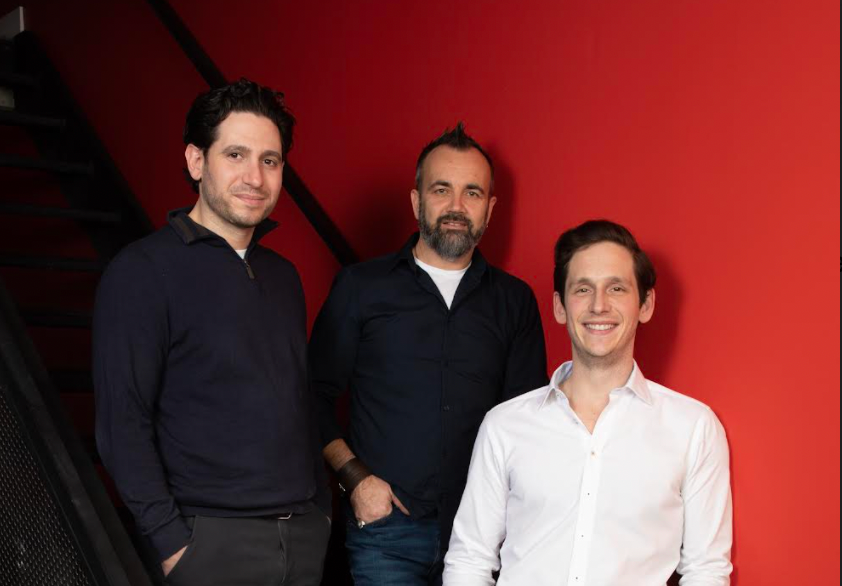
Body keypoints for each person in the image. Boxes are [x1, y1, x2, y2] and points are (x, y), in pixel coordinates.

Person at [93, 78, 330, 586]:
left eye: (270, 160)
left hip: (302, 539)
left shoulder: (284, 277)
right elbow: (122, 423)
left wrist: (321, 513)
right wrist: (173, 544)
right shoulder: (142, 272)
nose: (255, 177)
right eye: (236, 155)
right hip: (209, 543)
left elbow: (300, 402)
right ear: (196, 161)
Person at [309, 123, 548, 585]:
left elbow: (528, 420)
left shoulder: (514, 301)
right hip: (386, 532)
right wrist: (355, 478)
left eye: (472, 193)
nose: (457, 206)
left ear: (490, 208)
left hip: (483, 534)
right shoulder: (361, 288)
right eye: (442, 190)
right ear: (417, 201)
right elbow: (310, 396)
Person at [445, 220, 733, 586]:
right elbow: (469, 560)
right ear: (560, 306)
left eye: (616, 288)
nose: (599, 305)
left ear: (645, 304)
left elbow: (706, 570)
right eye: (583, 289)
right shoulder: (504, 425)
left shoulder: (693, 428)